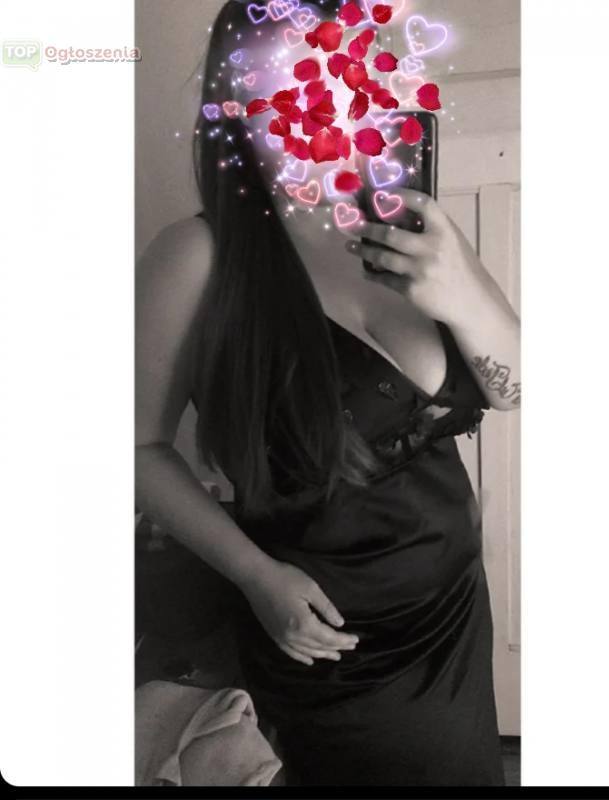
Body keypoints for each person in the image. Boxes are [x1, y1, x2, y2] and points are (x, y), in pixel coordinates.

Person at [136, 0, 520, 786]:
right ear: (236, 104)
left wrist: (464, 294)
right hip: (327, 640)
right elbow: (134, 447)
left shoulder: (411, 226)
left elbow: (514, 389)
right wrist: (255, 576)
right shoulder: (196, 257)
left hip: (451, 609)